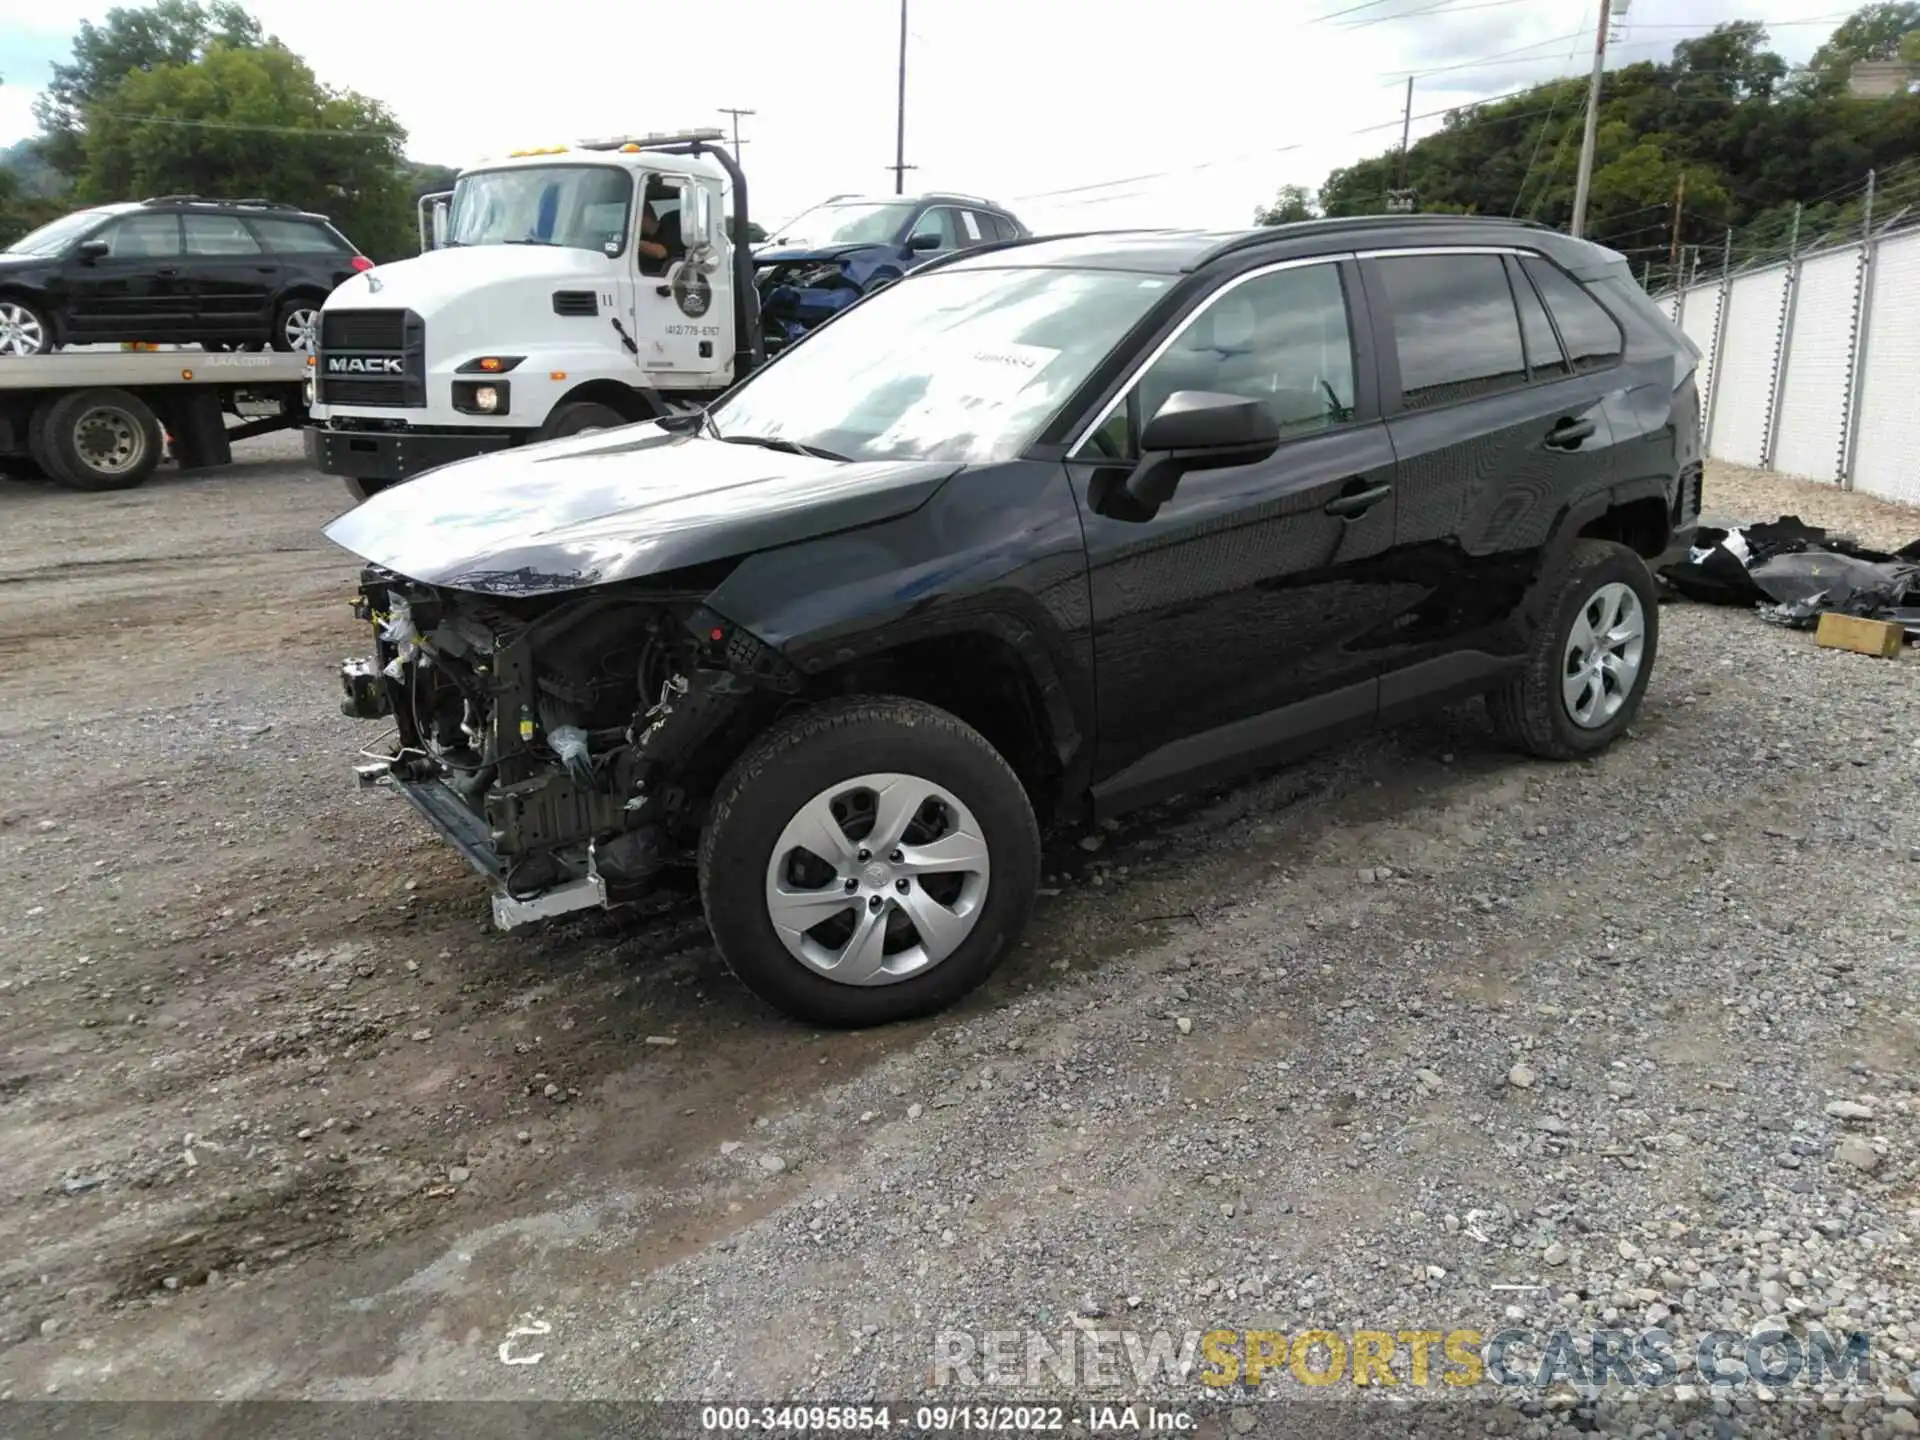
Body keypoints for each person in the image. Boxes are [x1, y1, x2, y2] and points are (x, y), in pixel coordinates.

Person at [637, 181, 685, 276]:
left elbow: (660, 252)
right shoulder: (641, 236)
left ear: (645, 217)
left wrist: (631, 242)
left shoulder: (669, 227)